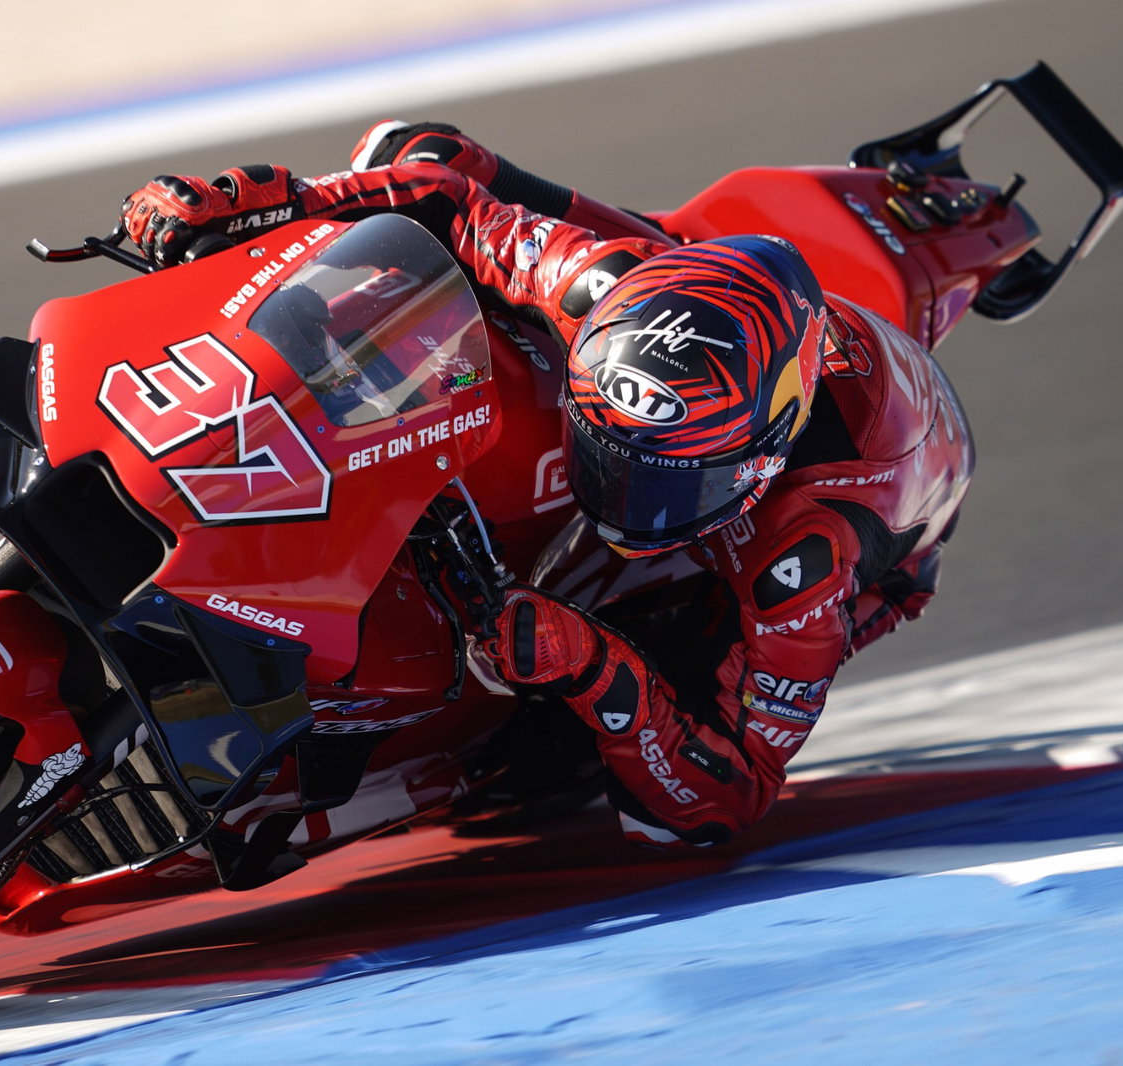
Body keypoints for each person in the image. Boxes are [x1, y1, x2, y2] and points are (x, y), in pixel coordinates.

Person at [119, 122, 974, 849]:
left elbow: (727, 800)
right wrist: (258, 198)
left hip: (883, 553)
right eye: (613, 459)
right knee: (415, 145)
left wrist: (597, 671)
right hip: (691, 290)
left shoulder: (808, 554)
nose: (626, 500)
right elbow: (440, 194)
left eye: (671, 483)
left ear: (763, 451)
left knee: (583, 777)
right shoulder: (596, 284)